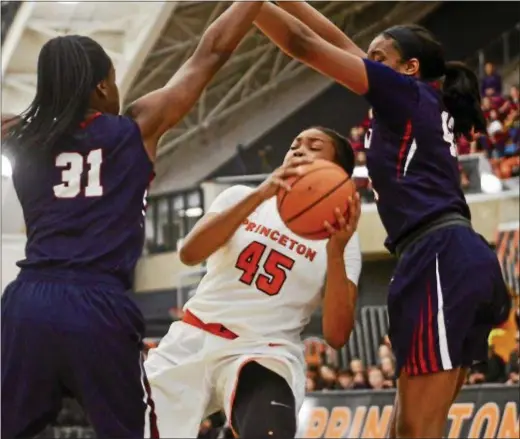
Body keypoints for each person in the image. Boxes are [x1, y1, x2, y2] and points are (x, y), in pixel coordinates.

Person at [1, 2, 264, 438]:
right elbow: (212, 51)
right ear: (103, 86)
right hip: (97, 304)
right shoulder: (137, 128)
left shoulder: (18, 135)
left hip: (28, 303)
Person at [252, 2, 511, 437]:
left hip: (439, 256)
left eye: (379, 58)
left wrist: (246, 7)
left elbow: (302, 43)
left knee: (415, 432)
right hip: (441, 255)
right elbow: (332, 38)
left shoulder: (405, 93)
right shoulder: (406, 97)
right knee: (406, 430)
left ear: (409, 68)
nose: (366, 64)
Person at [145, 127, 362, 438]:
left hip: (264, 350)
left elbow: (337, 335)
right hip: (193, 335)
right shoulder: (241, 196)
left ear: (336, 173)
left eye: (314, 146)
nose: (299, 149)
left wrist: (337, 251)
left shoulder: (343, 241)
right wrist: (261, 194)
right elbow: (190, 253)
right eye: (294, 144)